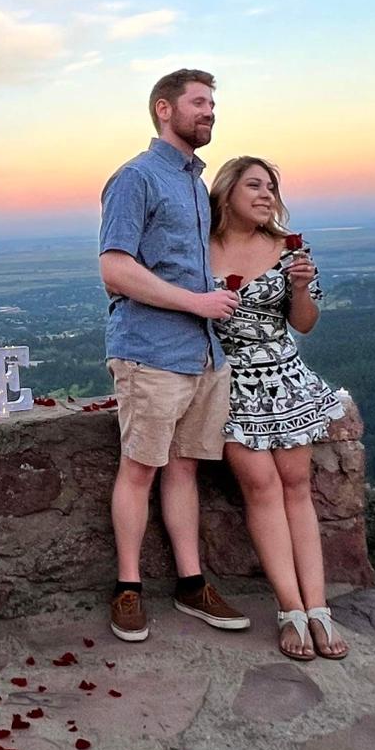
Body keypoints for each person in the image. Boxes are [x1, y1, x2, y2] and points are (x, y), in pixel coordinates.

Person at [98, 69, 253, 644]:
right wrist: (197, 301)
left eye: (213, 103)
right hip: (152, 353)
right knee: (139, 470)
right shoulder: (136, 177)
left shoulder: (193, 184)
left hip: (203, 355)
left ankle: (191, 584)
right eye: (198, 103)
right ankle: (128, 589)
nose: (209, 112)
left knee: (184, 467)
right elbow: (114, 268)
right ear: (164, 109)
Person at [208, 156, 348, 660]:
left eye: (271, 187)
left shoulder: (288, 249)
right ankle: (291, 610)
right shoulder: (198, 250)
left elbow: (305, 323)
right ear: (227, 192)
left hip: (286, 380)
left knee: (296, 490)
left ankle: (319, 610)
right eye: (254, 185)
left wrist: (302, 287)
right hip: (230, 384)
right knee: (261, 489)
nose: (266, 194)